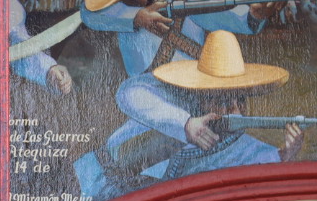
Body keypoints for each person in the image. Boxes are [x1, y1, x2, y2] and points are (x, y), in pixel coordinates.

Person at [74, 0, 278, 201]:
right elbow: (90, 15)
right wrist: (136, 18)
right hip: (157, 96)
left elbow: (227, 15)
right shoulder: (117, 10)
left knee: (227, 142)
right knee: (119, 159)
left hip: (201, 90)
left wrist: (252, 16)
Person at [109, 30, 303, 184]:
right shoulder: (172, 98)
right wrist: (185, 124)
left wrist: (286, 153)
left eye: (241, 100)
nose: (235, 111)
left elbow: (250, 155)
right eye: (223, 102)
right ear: (201, 96)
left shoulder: (229, 136)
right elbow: (128, 92)